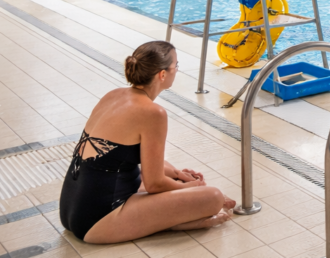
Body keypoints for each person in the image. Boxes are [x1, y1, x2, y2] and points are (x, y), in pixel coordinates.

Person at [59, 41, 234, 243]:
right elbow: (154, 184)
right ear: (162, 75)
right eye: (176, 66)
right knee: (213, 196)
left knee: (174, 182)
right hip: (99, 218)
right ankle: (175, 223)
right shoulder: (153, 113)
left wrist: (178, 175)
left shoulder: (113, 95)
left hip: (71, 208)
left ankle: (168, 217)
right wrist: (194, 188)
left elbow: (137, 160)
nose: (177, 70)